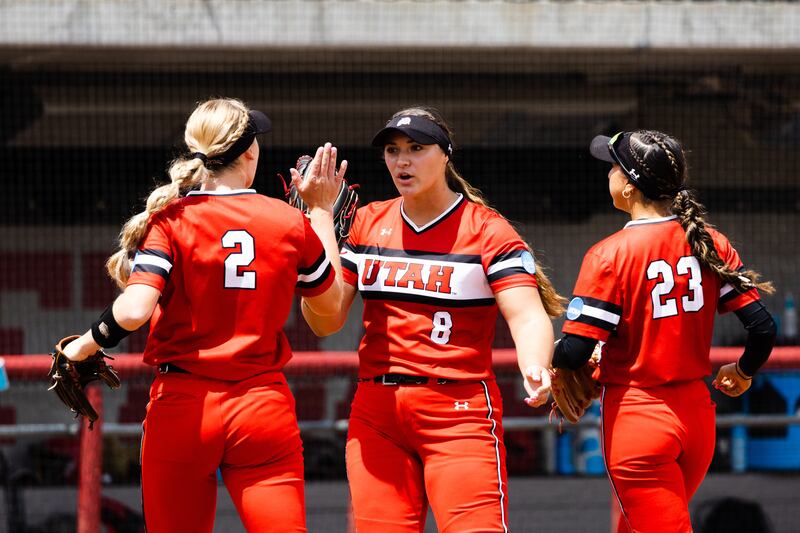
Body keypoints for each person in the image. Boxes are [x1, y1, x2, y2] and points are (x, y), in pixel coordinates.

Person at [59, 97, 348, 533]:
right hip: (261, 406)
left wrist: (82, 346)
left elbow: (135, 310)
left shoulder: (172, 219)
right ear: (250, 152)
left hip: (184, 407)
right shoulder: (289, 221)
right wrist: (322, 213)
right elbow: (329, 316)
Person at [302, 106, 564, 532]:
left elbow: (528, 314)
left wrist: (536, 364)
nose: (402, 161)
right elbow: (325, 320)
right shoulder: (368, 222)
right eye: (392, 150)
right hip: (377, 412)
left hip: (458, 411)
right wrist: (319, 222)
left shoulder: (486, 229)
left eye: (416, 148)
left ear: (445, 154)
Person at [552, 129, 777, 533]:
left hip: (639, 420)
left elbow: (574, 352)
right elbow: (763, 329)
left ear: (630, 186)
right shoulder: (708, 241)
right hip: (697, 419)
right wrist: (743, 372)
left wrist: (552, 358)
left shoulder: (609, 253)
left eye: (612, 168)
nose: (608, 176)